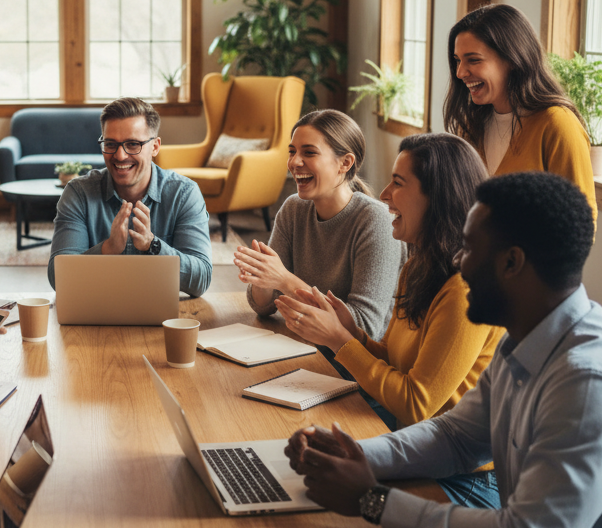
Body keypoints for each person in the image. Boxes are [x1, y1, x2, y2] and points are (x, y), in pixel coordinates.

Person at [287, 172, 602, 528]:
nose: (458, 261)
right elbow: (455, 437)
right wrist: (354, 454)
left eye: (470, 247)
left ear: (512, 262)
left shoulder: (589, 382)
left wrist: (372, 500)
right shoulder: (529, 337)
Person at [276, 133, 502, 507]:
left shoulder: (465, 290)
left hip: (463, 478)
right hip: (412, 446)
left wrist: (340, 342)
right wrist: (352, 334)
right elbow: (397, 361)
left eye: (398, 183)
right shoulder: (419, 265)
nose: (382, 194)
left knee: (318, 502)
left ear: (438, 196)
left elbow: (416, 403)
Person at [234, 109, 405, 346]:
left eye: (309, 153)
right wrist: (262, 278)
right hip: (302, 345)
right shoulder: (294, 208)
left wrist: (283, 280)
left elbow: (365, 328)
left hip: (357, 365)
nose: (294, 162)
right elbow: (262, 307)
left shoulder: (375, 221)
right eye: (292, 152)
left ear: (345, 163)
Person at [443, 2, 596, 224]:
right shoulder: (470, 126)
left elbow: (581, 221)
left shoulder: (557, 124)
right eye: (457, 60)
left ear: (513, 59)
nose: (460, 72)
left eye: (473, 60)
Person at [48, 97, 212, 297]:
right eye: (110, 144)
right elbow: (58, 277)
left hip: (163, 320)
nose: (120, 156)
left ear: (155, 147)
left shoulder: (184, 194)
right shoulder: (79, 193)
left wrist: (153, 246)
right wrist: (107, 249)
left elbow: (201, 279)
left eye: (133, 144)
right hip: (95, 312)